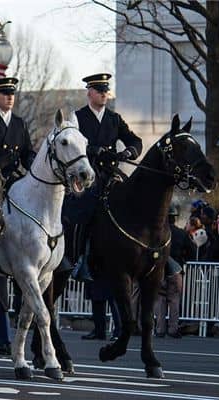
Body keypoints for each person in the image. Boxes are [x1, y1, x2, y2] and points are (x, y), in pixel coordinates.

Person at [68, 73, 143, 282]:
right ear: (90, 92)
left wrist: (129, 152)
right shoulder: (77, 117)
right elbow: (72, 145)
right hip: (87, 175)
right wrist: (94, 150)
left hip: (110, 174)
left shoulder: (114, 118)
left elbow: (134, 140)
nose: (104, 95)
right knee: (86, 209)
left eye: (105, 91)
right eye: (100, 91)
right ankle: (79, 258)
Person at [156, 205, 196, 338]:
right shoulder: (182, 234)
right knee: (174, 299)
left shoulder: (158, 234)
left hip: (160, 270)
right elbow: (192, 251)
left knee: (160, 299)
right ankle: (173, 329)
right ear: (174, 218)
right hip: (176, 270)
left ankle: (160, 329)